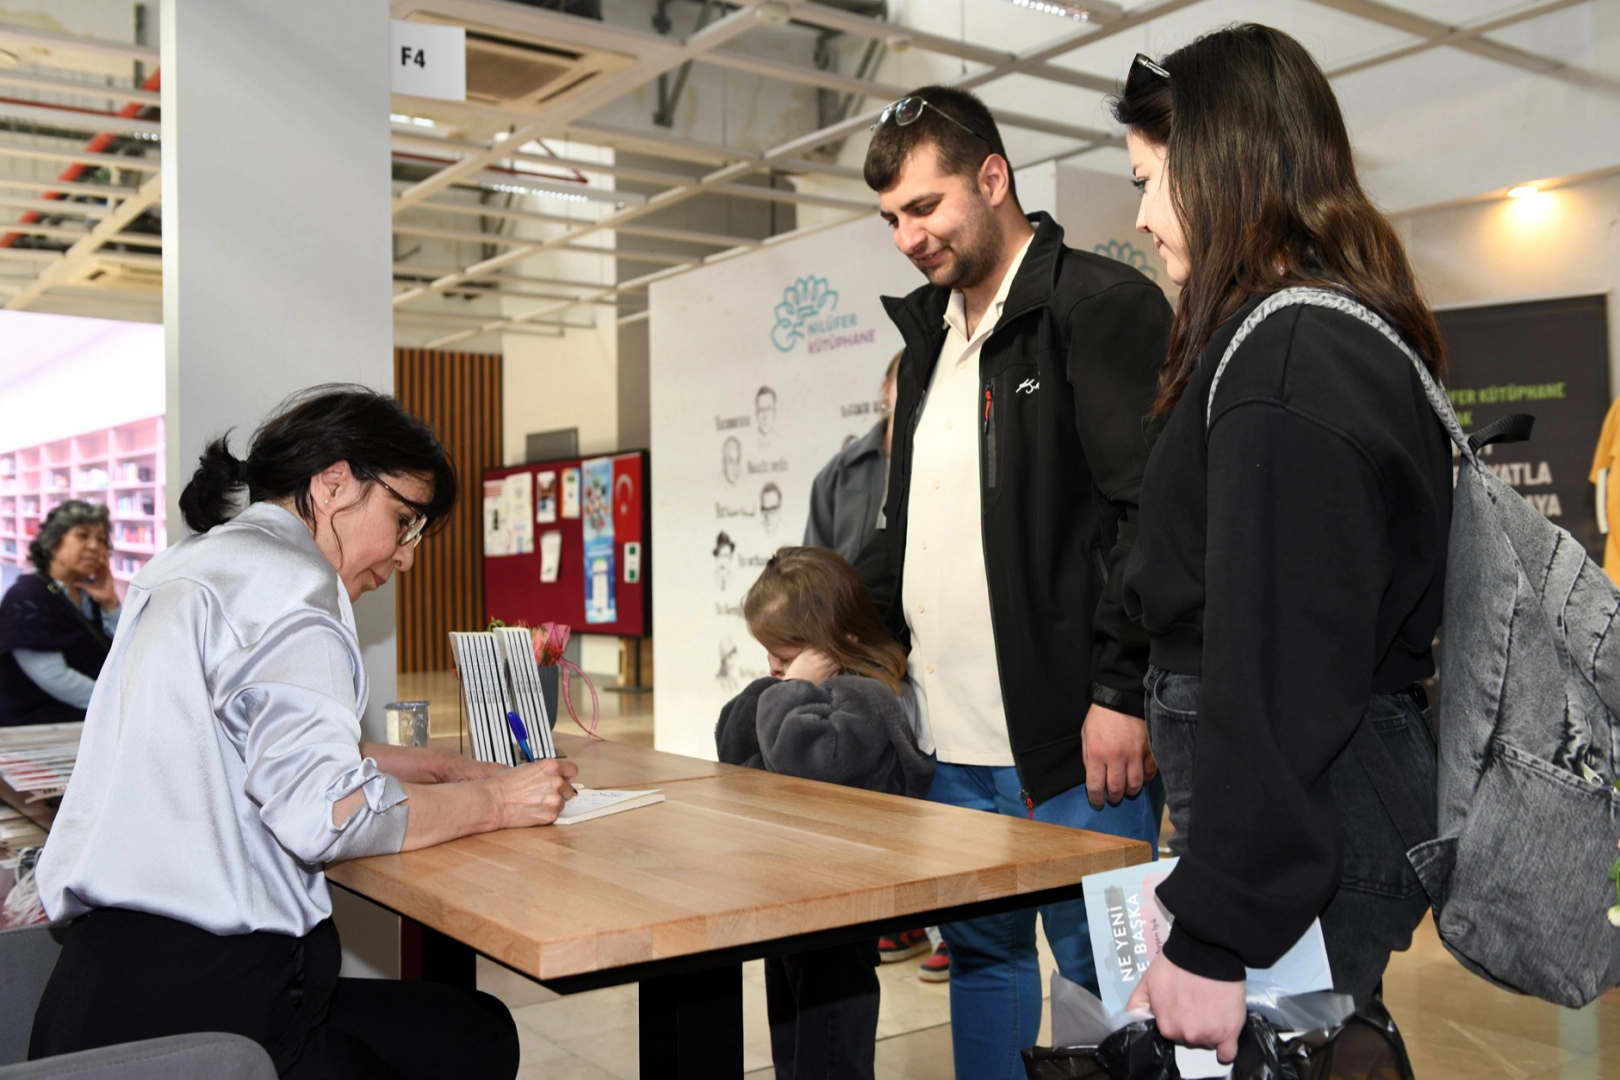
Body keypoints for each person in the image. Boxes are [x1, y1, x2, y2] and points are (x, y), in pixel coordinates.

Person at [30, 386, 580, 1078]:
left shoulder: (194, 563)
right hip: (213, 1019)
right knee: (469, 1040)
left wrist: (438, 769)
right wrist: (500, 804)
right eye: (403, 520)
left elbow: (244, 741)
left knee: (471, 1031)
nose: (406, 555)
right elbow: (327, 814)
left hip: (107, 991)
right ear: (333, 483)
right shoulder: (295, 585)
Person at [1114, 25, 1450, 1064]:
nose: (1141, 215)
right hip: (1326, 811)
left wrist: (1217, 934)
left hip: (1307, 822)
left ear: (1219, 169)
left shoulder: (1288, 359)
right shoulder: (1311, 334)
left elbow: (1280, 667)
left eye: (1151, 181)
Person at [859, 85, 1174, 1077]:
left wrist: (1120, 691)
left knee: (1107, 982)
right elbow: (904, 532)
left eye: (925, 206)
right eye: (891, 219)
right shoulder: (927, 347)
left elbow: (1147, 518)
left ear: (993, 178)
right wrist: (829, 630)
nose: (909, 237)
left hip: (1079, 749)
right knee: (985, 964)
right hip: (949, 745)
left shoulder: (1101, 307)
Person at [715, 546, 932, 1080]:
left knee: (832, 1038)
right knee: (790, 1027)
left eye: (784, 657)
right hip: (790, 889)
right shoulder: (798, 689)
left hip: (840, 904)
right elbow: (731, 741)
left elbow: (804, 760)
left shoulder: (867, 699)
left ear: (841, 642)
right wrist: (788, 684)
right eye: (769, 655)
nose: (771, 668)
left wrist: (793, 688)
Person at [0, 502, 121, 726]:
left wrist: (110, 603)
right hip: (39, 730)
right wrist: (119, 704)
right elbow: (54, 676)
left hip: (93, 721)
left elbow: (129, 650)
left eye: (102, 540)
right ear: (53, 543)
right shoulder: (26, 598)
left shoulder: (91, 595)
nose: (95, 546)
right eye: (83, 535)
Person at [803, 352, 901, 563]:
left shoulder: (944, 469)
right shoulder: (841, 471)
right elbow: (813, 568)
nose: (914, 392)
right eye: (905, 382)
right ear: (886, 390)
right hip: (851, 595)